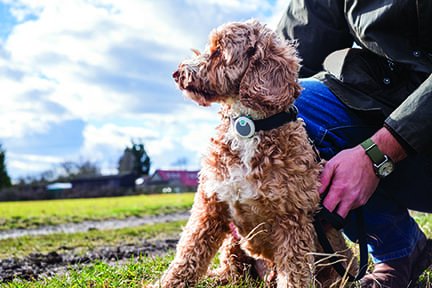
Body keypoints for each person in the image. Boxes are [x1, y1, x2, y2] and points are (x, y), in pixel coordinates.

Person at [276, 1, 432, 287]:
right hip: (391, 113)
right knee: (286, 112)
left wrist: (378, 153)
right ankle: (400, 251)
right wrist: (249, 168)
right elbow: (285, 67)